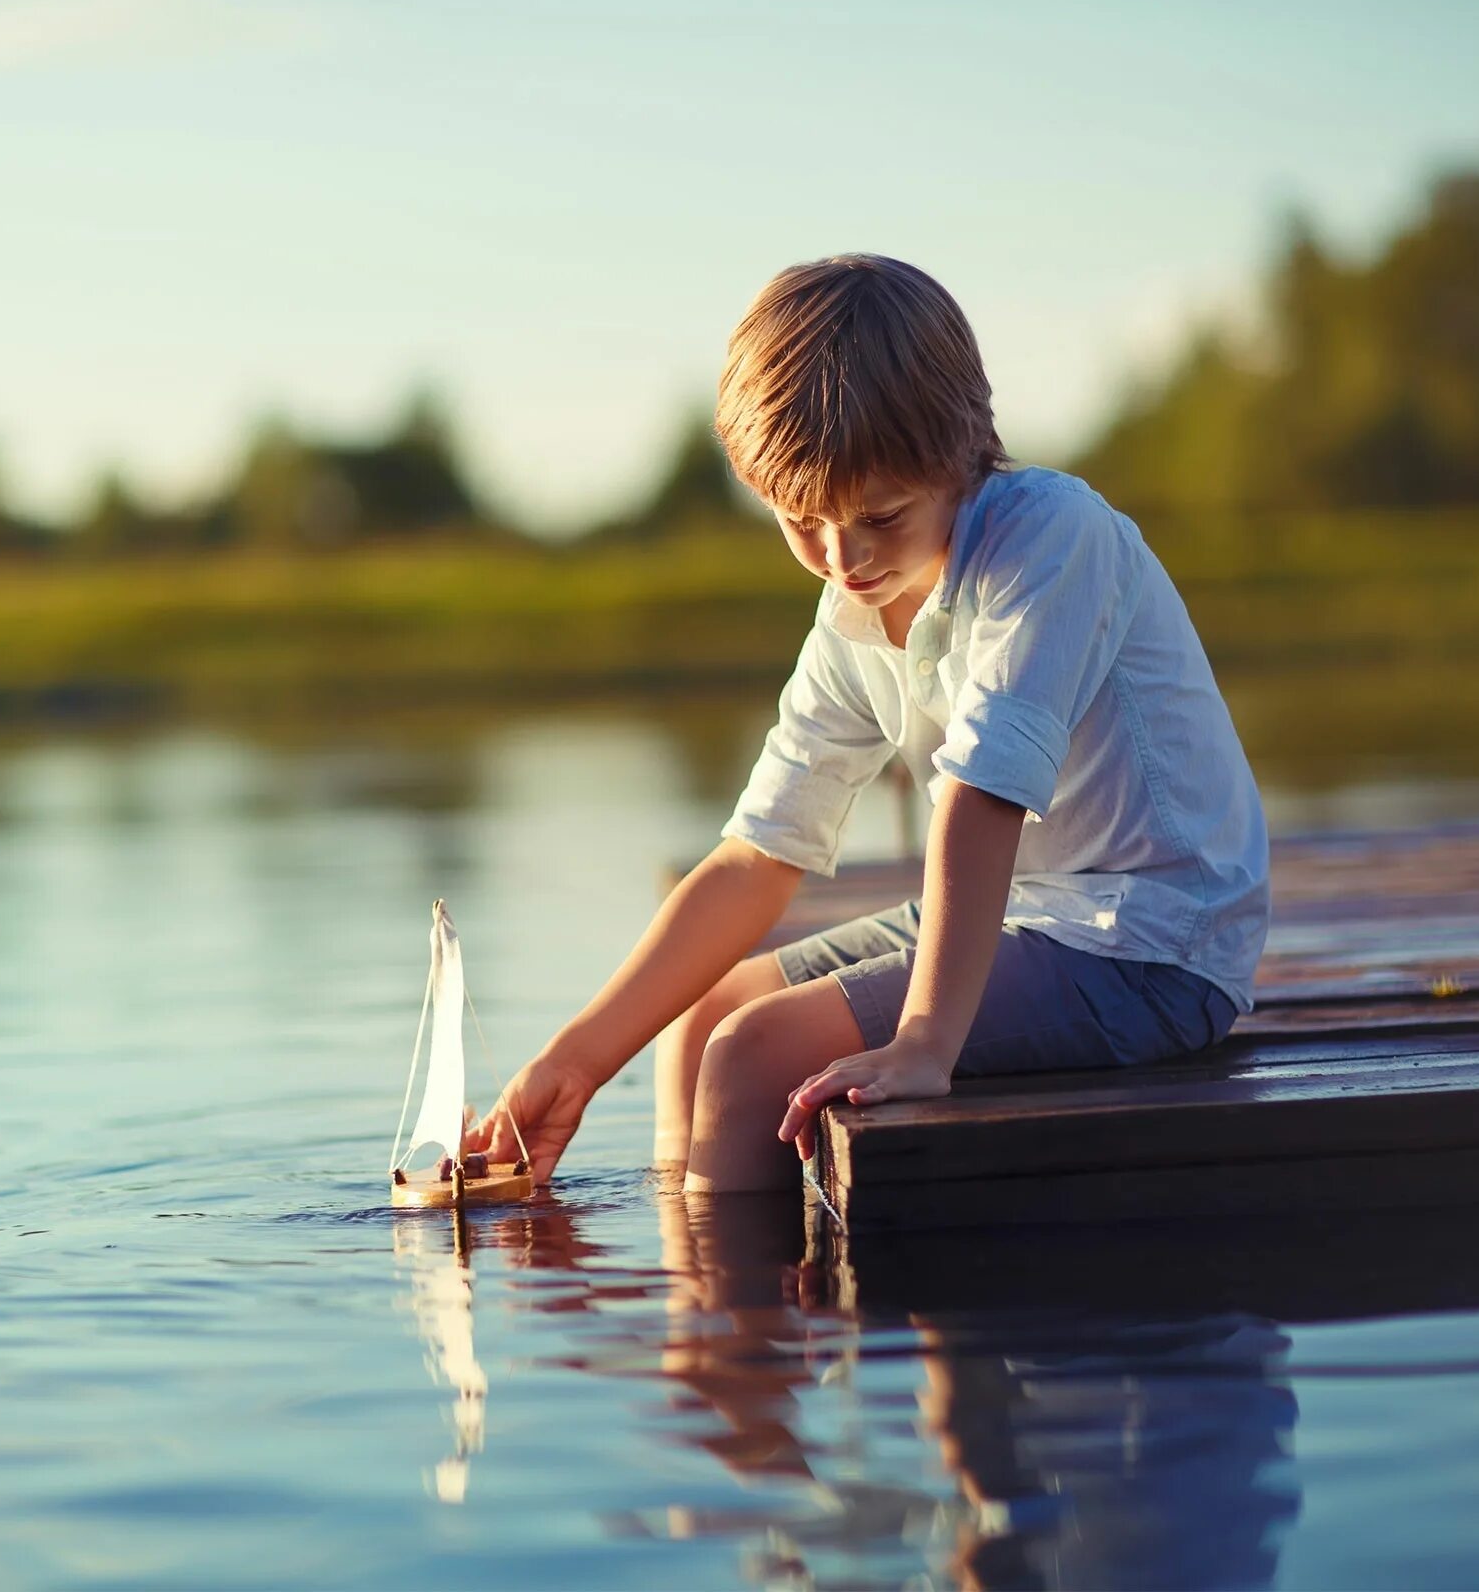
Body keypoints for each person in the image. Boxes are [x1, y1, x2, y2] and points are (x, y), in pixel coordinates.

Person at [464, 254, 1270, 1193]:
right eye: (801, 520)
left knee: (752, 1055)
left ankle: (732, 1314)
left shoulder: (1050, 536)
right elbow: (754, 859)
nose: (843, 558)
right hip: (1016, 918)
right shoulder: (853, 611)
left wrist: (927, 1038)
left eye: (880, 516)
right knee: (703, 1023)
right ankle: (702, 1319)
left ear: (963, 457)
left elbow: (980, 799)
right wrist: (580, 1057)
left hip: (1152, 947)